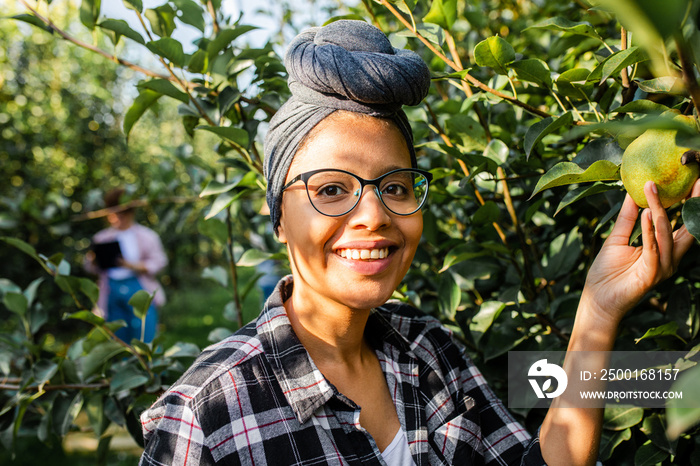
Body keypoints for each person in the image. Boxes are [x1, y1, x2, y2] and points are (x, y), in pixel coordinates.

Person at [138, 20, 700, 465]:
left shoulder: (430, 353)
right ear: (278, 217)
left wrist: (597, 313)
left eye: (396, 186)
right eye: (331, 189)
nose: (373, 216)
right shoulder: (205, 418)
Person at [85, 188, 167, 343]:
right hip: (111, 290)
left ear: (130, 213)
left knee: (144, 333)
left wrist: (131, 265)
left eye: (121, 215)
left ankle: (147, 366)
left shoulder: (147, 236)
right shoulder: (101, 238)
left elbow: (159, 262)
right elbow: (91, 268)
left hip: (139, 286)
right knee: (118, 336)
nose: (116, 219)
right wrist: (93, 260)